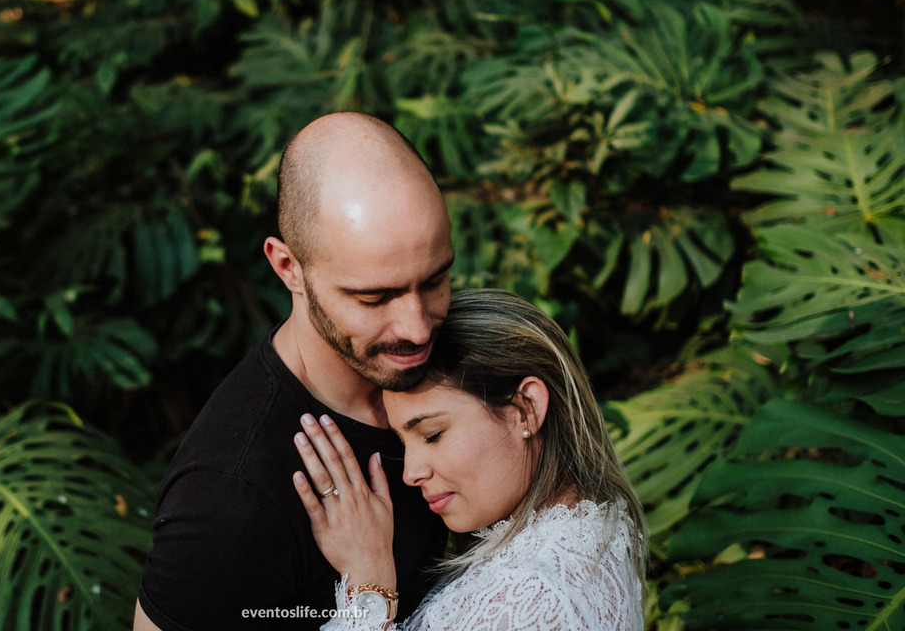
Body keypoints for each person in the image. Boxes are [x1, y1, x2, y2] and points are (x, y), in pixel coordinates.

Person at [134, 113, 454, 630]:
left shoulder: (459, 363)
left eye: (436, 281)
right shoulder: (232, 494)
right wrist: (374, 593)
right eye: (374, 297)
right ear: (288, 268)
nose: (417, 329)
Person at [291, 289, 647, 630]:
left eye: (433, 434)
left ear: (526, 409)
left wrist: (369, 588)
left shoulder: (527, 601)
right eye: (402, 441)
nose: (411, 473)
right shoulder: (597, 525)